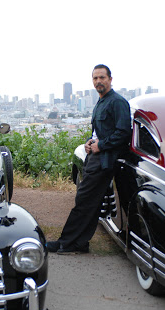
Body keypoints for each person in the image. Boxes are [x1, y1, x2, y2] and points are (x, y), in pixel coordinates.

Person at [47, 64, 132, 254]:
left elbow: (123, 133)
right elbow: (99, 132)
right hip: (95, 157)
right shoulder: (101, 102)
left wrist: (100, 145)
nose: (98, 81)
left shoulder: (117, 102)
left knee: (84, 201)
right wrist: (89, 142)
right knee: (90, 203)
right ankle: (79, 243)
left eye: (102, 77)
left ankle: (67, 243)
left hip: (105, 160)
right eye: (95, 78)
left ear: (110, 79)